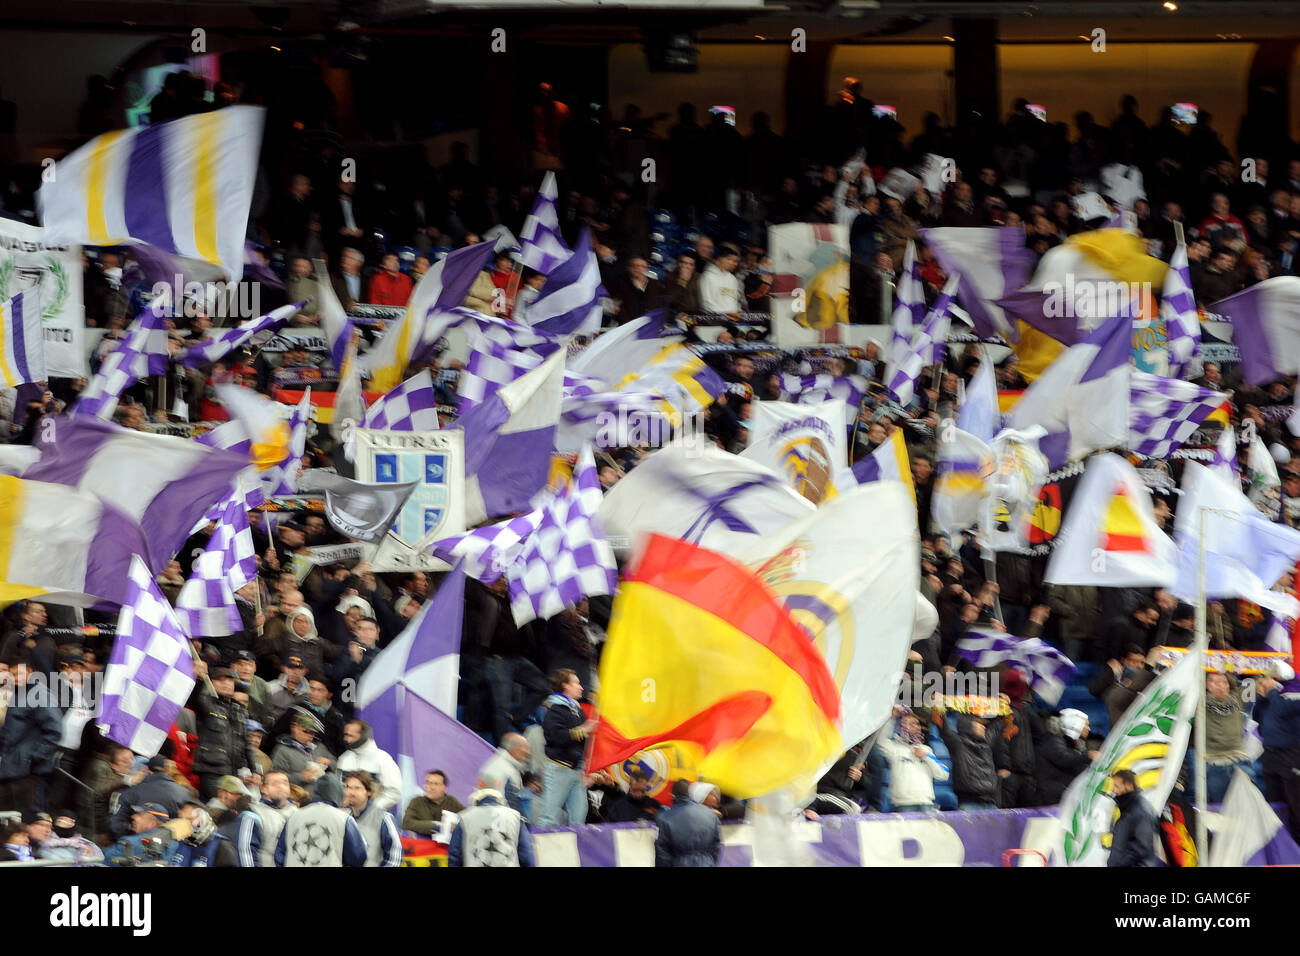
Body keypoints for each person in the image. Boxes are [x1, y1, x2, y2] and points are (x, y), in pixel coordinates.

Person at [0, 654, 61, 812]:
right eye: (11, 674)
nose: (14, 678)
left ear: (29, 671)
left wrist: (33, 758)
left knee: (26, 818)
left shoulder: (40, 694)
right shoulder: (17, 694)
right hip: (11, 768)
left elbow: (55, 731)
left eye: (18, 673)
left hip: (29, 772)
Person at [538, 668, 598, 826]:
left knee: (579, 817)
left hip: (576, 770)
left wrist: (587, 768)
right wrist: (582, 730)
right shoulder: (554, 708)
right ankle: (543, 850)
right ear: (565, 686)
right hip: (559, 768)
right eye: (577, 683)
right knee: (549, 816)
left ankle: (576, 849)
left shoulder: (577, 709)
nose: (581, 687)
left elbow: (582, 743)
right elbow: (555, 736)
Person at [188, 662, 255, 800]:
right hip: (211, 772)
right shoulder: (205, 703)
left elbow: (247, 744)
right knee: (227, 805)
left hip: (233, 773)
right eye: (220, 679)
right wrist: (199, 678)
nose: (226, 683)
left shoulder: (239, 710)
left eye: (230, 680)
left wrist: (256, 771)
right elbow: (195, 696)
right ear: (211, 683)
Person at [274, 772, 367, 867]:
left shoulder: (293, 817)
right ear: (338, 793)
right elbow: (358, 857)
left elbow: (280, 856)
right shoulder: (344, 819)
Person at [1252, 666, 1300, 841]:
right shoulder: (1271, 701)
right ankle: (1283, 845)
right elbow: (1257, 716)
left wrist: (1271, 689)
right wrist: (1262, 697)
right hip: (1270, 757)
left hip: (1291, 756)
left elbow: (1281, 709)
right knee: (1274, 805)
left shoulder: (1292, 700)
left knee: (1296, 806)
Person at [876, 708, 950, 812]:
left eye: (917, 724)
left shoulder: (926, 750)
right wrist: (892, 718)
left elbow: (944, 774)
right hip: (903, 805)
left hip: (926, 804)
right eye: (910, 724)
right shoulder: (894, 748)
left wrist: (926, 756)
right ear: (901, 728)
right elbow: (880, 740)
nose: (916, 726)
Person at [107, 754, 192, 839]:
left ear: (147, 770)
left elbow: (115, 825)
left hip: (132, 845)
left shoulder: (131, 791)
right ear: (167, 770)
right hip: (165, 846)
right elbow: (186, 826)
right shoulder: (185, 793)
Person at [447, 787, 536, 868]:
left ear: (476, 802)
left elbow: (455, 855)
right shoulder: (515, 817)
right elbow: (526, 855)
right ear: (500, 800)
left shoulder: (465, 818)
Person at [933, 709, 1000, 810]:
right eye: (979, 724)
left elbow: (998, 725)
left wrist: (1003, 705)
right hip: (969, 803)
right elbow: (942, 725)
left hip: (990, 802)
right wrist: (938, 705)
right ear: (968, 725)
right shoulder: (958, 743)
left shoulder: (987, 743)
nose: (983, 727)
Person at [334, 719, 402, 811]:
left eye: (351, 735)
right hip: (345, 817)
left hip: (374, 820)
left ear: (363, 736)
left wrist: (372, 810)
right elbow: (337, 788)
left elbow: (394, 792)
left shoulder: (383, 759)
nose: (346, 739)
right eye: (346, 735)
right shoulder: (344, 759)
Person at [340, 770, 404, 867]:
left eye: (357, 788)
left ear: (368, 792)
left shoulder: (384, 818)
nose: (351, 792)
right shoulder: (342, 818)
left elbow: (395, 857)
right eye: (348, 787)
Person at [1034, 708, 1095, 806]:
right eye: (1086, 725)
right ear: (1076, 723)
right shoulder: (1054, 740)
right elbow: (1063, 758)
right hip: (1049, 797)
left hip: (1061, 795)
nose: (1089, 729)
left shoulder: (1074, 745)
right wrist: (1088, 756)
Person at [654, 779, 721, 867]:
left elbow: (662, 853)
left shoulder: (664, 818)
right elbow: (716, 846)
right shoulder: (710, 814)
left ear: (672, 796)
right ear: (690, 794)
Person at [1107, 769, 1160, 867]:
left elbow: (1141, 848)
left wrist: (1118, 864)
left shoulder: (1141, 811)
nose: (1113, 790)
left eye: (1116, 786)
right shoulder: (1127, 806)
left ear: (1129, 786)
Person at [476, 732, 530, 814]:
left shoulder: (496, 763)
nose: (528, 752)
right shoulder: (508, 771)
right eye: (525, 747)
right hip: (501, 818)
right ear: (515, 749)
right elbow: (513, 805)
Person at [170, 802, 237, 867]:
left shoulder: (221, 845)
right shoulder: (176, 842)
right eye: (181, 819)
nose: (184, 823)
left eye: (190, 819)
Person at [402, 770, 466, 837]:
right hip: (422, 843)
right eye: (429, 783)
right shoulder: (417, 802)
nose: (432, 787)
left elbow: (466, 818)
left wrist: (456, 825)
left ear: (445, 788)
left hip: (446, 845)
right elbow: (406, 823)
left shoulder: (451, 801)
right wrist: (436, 826)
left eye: (436, 784)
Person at [36, 810, 104, 865]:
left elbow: (100, 859)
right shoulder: (46, 845)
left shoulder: (85, 843)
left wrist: (90, 852)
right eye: (62, 820)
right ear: (54, 824)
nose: (67, 824)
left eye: (71, 821)